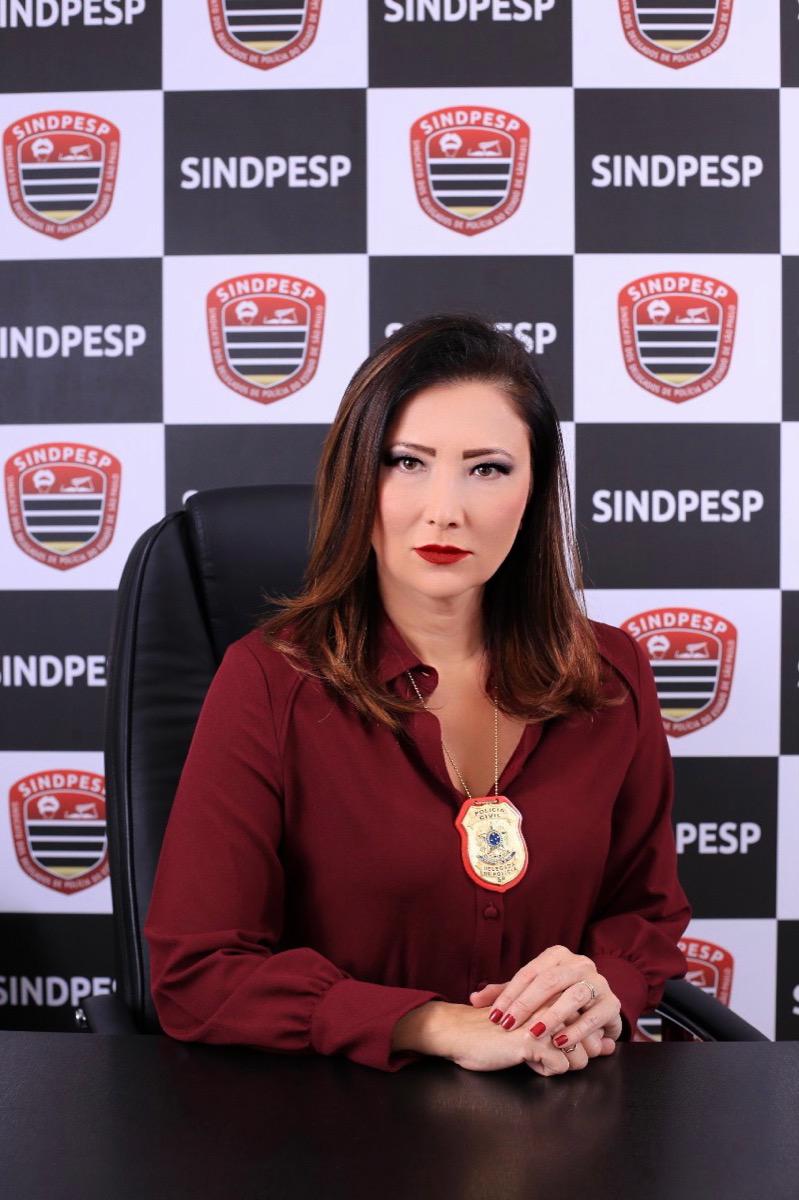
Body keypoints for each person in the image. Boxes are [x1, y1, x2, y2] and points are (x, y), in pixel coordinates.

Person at [143, 313, 692, 1076]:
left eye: (487, 469)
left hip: (560, 1101)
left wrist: (604, 988)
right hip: (336, 1112)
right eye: (406, 462)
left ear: (534, 492)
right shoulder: (267, 682)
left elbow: (646, 914)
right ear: (355, 477)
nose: (444, 510)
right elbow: (198, 974)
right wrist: (434, 1025)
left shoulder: (609, 673)